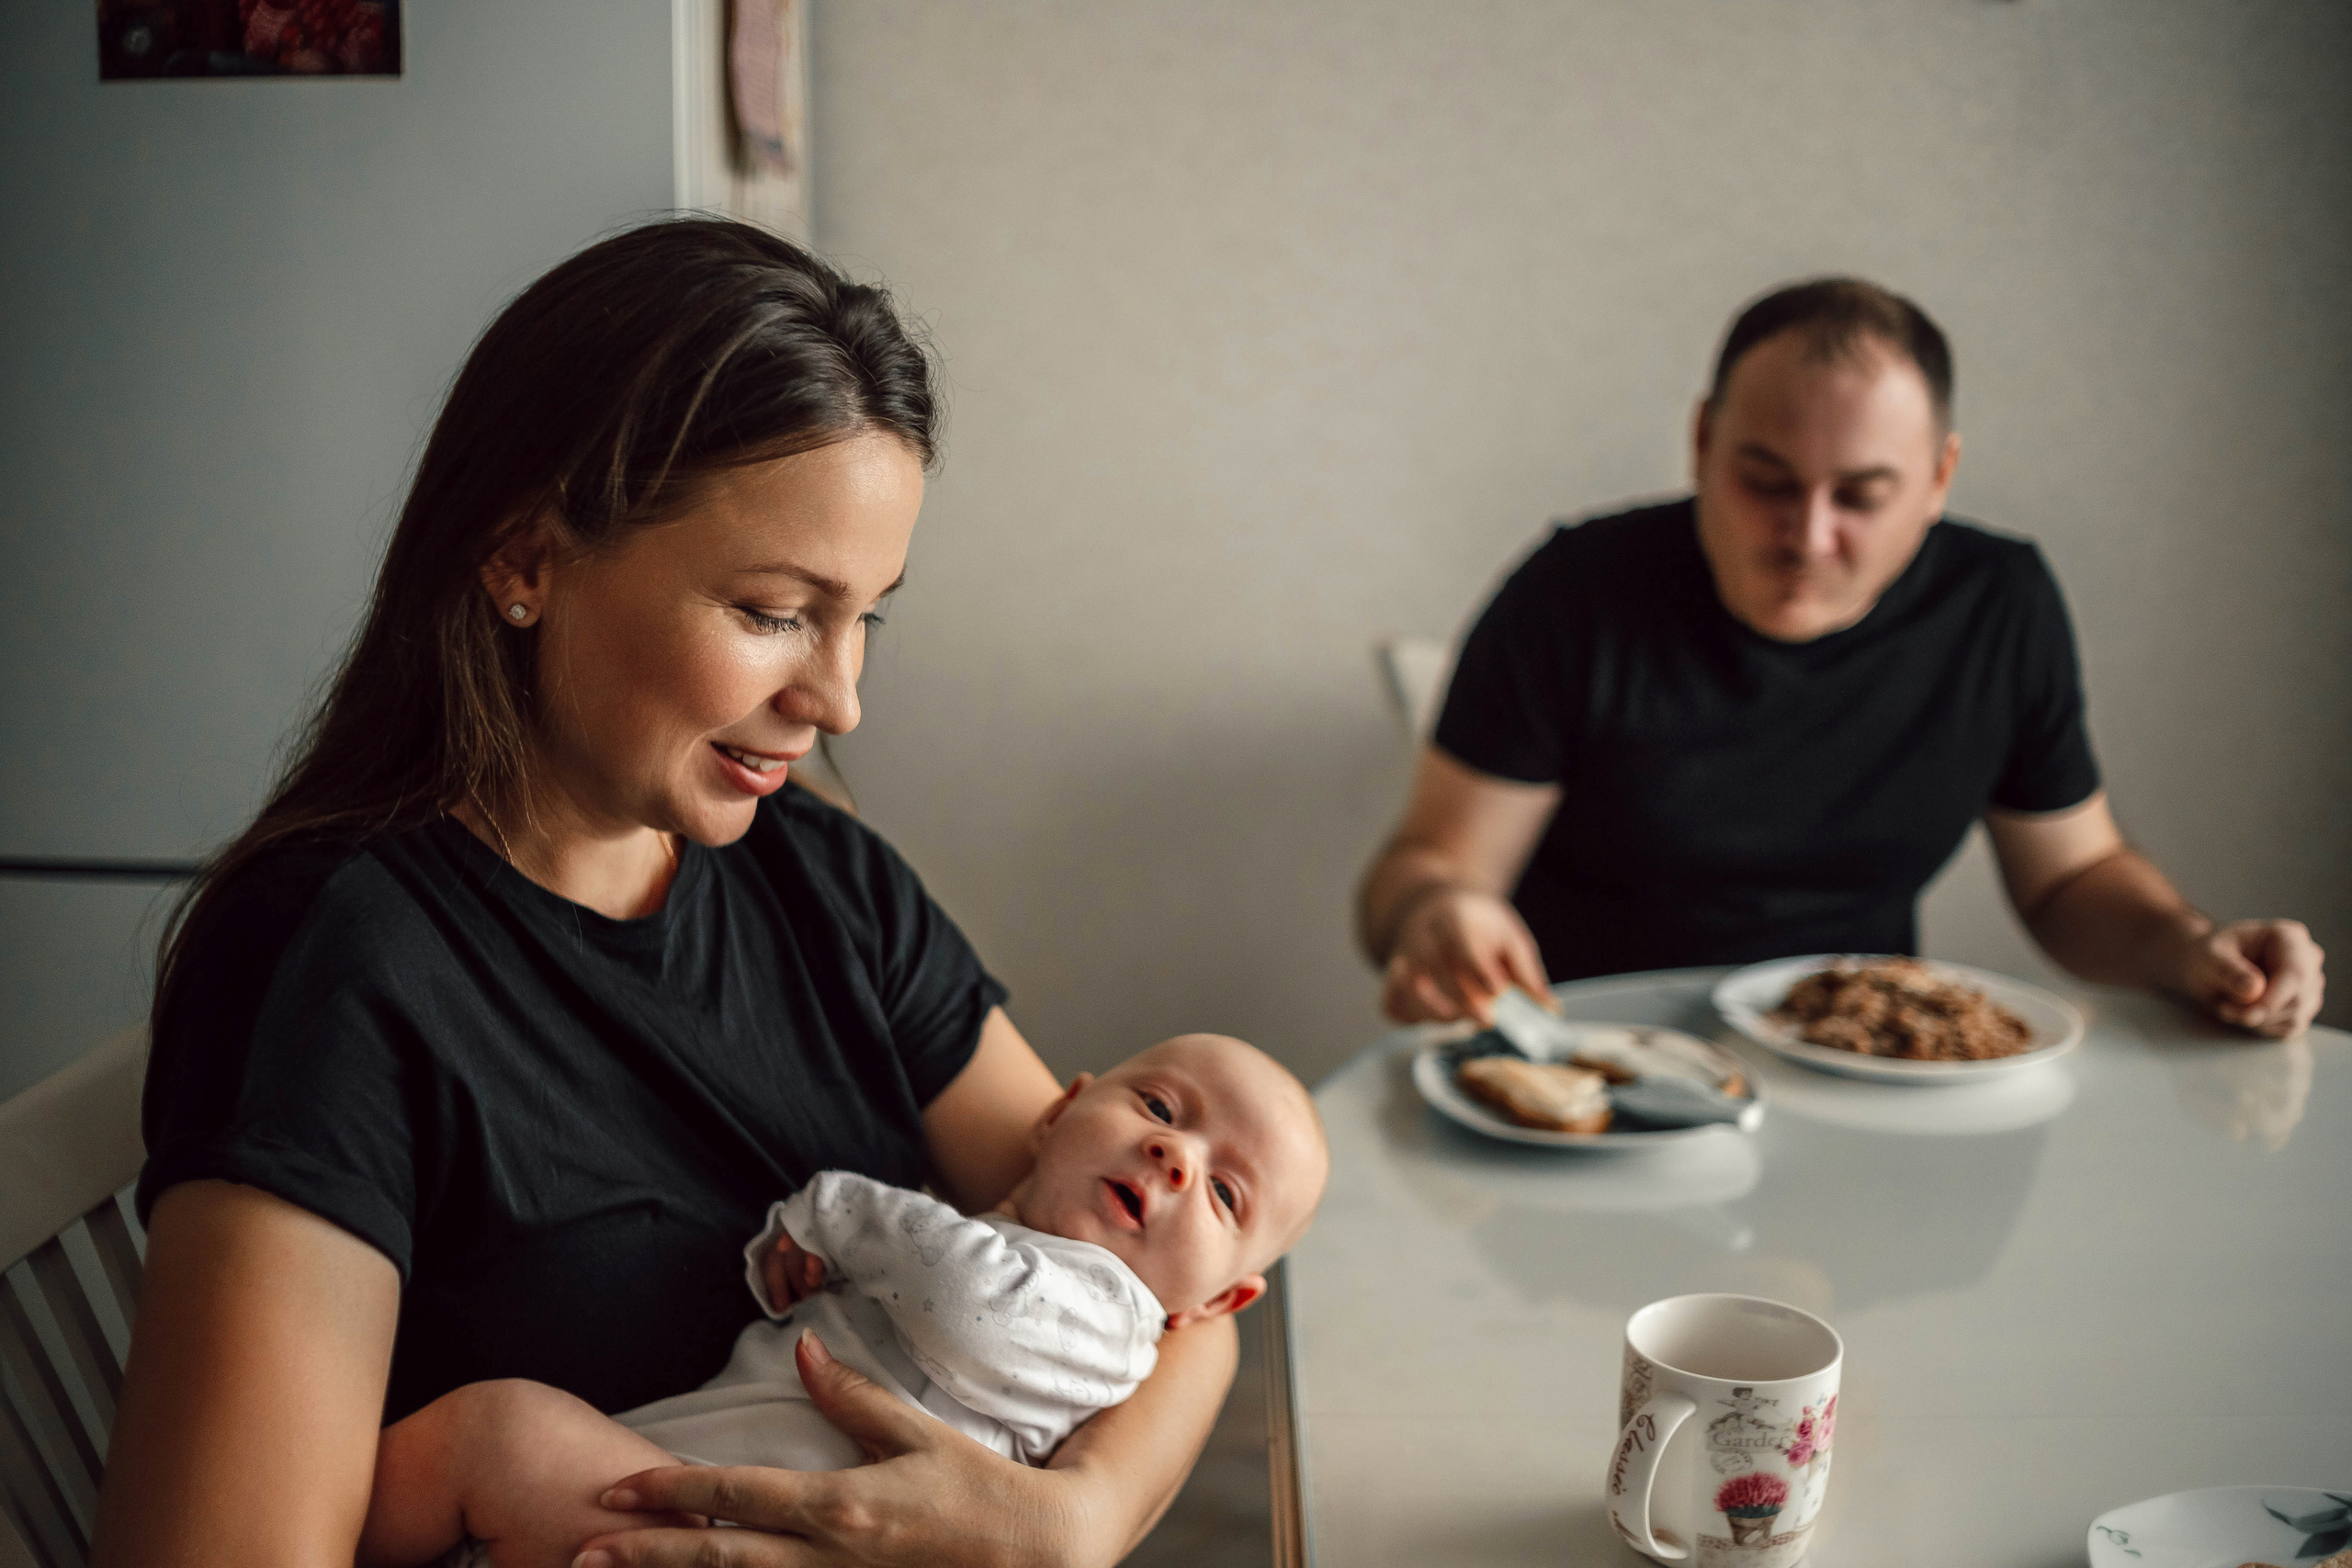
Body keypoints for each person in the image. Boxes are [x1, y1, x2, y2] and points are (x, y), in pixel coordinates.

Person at [94, 220, 1244, 1568]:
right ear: (525, 559)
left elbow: (1173, 1293)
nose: (840, 699)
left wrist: (1073, 1517)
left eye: (866, 614)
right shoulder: (336, 961)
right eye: (773, 611)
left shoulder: (831, 885)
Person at [1357, 277, 2326, 1038]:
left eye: (1861, 496)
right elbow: (1421, 869)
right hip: (1587, 1059)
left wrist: (2194, 950)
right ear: (1700, 442)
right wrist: (1435, 911)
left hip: (1859, 1068)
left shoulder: (1999, 603)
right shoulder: (1574, 591)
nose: (1806, 536)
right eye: (1764, 481)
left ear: (1939, 477)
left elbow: (2071, 882)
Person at [357, 1034, 1329, 1567]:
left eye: (1224, 1193)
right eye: (1160, 1109)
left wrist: (830, 1213)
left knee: (502, 1435)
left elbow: (966, 1306)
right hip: (682, 1492)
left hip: (747, 1533)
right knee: (498, 1443)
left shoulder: (1110, 1318)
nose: (1174, 1154)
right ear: (1057, 1110)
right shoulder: (968, 1236)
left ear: (1215, 1302)